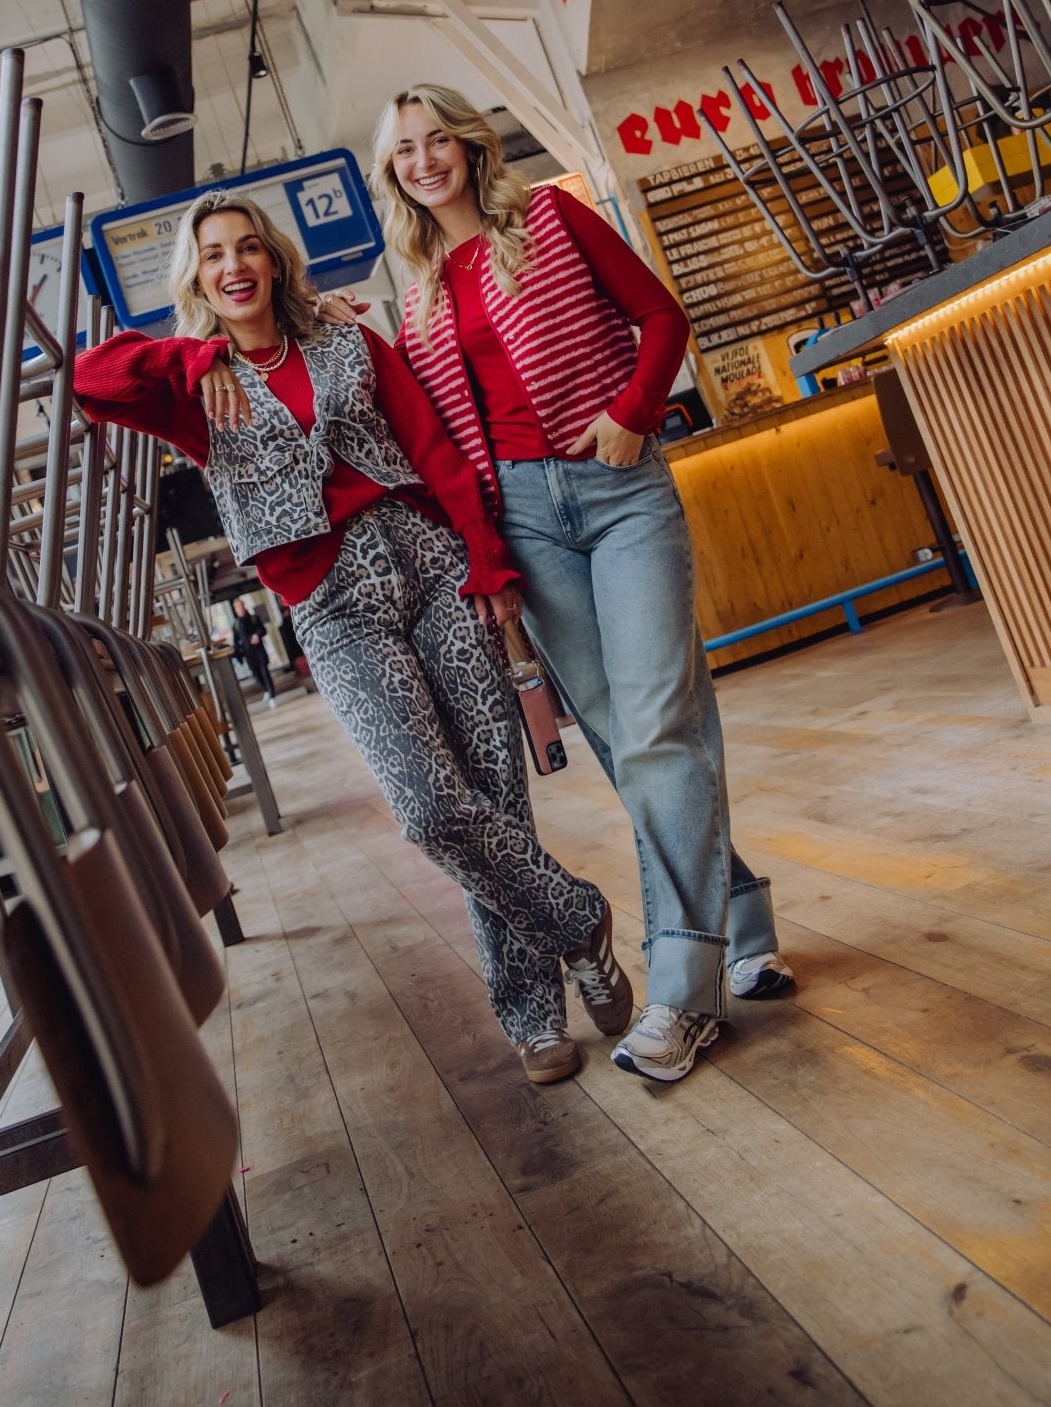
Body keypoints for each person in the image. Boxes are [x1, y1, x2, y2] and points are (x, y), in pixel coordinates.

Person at [74, 190, 632, 1084]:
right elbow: (90, 378)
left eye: (248, 247)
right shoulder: (189, 388)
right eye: (214, 255)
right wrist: (194, 353)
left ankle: (533, 1019)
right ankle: (577, 921)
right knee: (429, 808)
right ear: (197, 279)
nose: (234, 266)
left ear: (274, 260)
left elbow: (433, 449)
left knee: (494, 795)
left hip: (432, 565)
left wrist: (486, 562)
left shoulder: (346, 340)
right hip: (332, 607)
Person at [358, 84, 793, 1084]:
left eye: (438, 139)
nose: (425, 160)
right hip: (522, 519)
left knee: (658, 724)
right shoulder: (417, 298)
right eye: (404, 151)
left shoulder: (551, 216)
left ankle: (683, 991)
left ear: (471, 146)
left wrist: (635, 410)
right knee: (624, 739)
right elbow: (428, 436)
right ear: (393, 175)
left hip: (617, 487)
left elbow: (660, 315)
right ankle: (743, 912)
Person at [231, 595, 277, 705]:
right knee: (256, 674)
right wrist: (238, 655)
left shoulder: (254, 618)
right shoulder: (236, 624)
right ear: (235, 610)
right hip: (248, 654)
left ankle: (272, 695)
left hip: (259, 651)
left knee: (265, 672)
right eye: (237, 607)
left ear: (244, 606)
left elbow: (263, 630)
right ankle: (266, 690)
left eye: (241, 606)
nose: (240, 609)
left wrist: (257, 635)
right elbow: (235, 641)